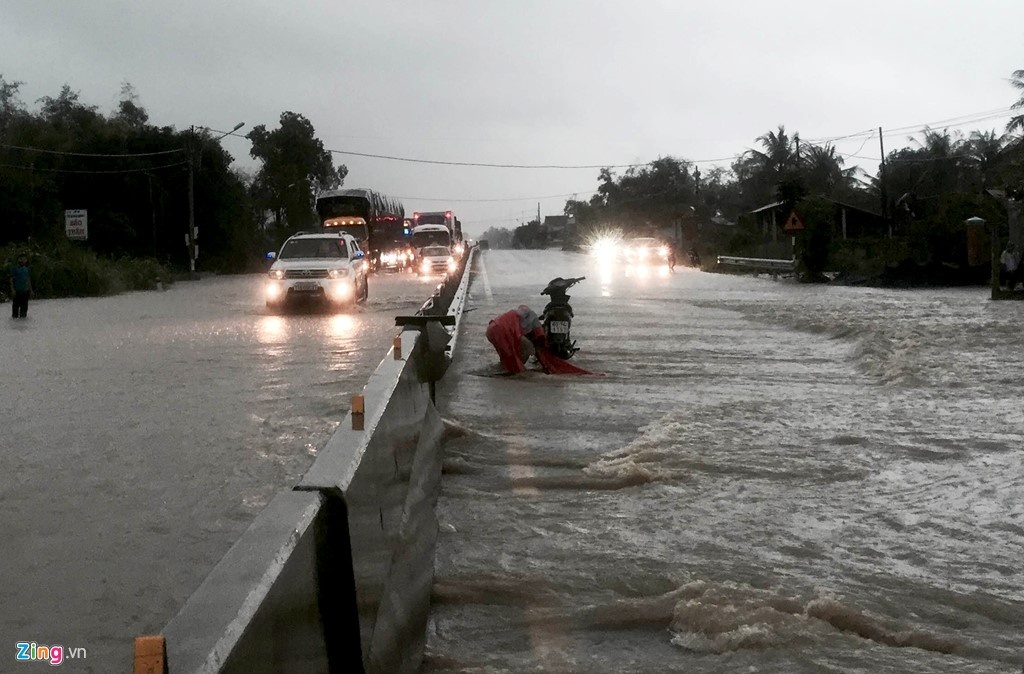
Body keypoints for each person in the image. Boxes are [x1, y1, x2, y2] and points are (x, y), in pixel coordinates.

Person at [486, 305, 546, 374]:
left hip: (491, 330)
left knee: (507, 356)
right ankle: (514, 370)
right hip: (503, 330)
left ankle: (498, 369)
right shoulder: (534, 321)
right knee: (527, 348)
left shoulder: (522, 314)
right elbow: (541, 339)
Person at [9, 253, 31, 319]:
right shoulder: (15, 269)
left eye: (24, 259)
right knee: (15, 310)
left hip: (25, 291)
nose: (22, 261)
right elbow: (11, 279)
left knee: (24, 311)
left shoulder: (26, 269)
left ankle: (22, 321)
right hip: (17, 291)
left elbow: (28, 280)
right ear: (18, 260)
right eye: (21, 259)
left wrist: (31, 290)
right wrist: (13, 290)